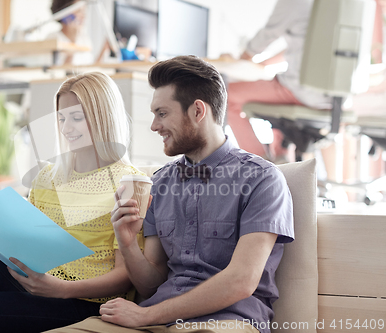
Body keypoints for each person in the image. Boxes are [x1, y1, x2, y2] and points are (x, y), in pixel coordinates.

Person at [46, 56, 295, 333]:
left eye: (162, 113)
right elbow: (150, 283)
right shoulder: (160, 183)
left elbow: (241, 281)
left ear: (198, 111)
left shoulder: (262, 179)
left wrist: (146, 316)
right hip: (157, 320)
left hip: (226, 321)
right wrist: (127, 244)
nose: (154, 125)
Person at [0, 72, 145, 333]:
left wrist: (61, 289)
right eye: (62, 118)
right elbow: (30, 242)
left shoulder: (130, 184)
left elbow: (126, 275)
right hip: (37, 283)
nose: (67, 128)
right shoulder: (48, 176)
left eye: (77, 118)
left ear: (103, 117)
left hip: (83, 301)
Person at [226, 0, 332, 161]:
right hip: (335, 98)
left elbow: (267, 36)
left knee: (224, 95)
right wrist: (262, 63)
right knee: (277, 93)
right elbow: (304, 45)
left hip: (300, 92)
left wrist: (243, 58)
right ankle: (282, 159)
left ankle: (258, 163)